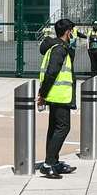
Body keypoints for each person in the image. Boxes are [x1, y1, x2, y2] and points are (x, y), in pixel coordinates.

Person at [35, 19, 78, 178]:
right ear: (68, 32)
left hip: (57, 95)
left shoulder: (57, 47)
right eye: (72, 31)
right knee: (63, 128)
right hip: (59, 95)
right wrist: (42, 94)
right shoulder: (59, 49)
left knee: (54, 128)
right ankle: (48, 164)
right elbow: (51, 72)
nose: (73, 34)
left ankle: (54, 161)